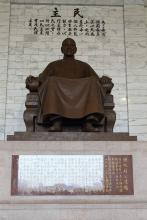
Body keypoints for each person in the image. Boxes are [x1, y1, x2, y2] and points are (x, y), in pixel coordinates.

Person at [27, 38, 105, 131]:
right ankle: (56, 121)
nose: (69, 47)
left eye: (72, 45)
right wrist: (33, 79)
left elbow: (97, 80)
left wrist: (104, 79)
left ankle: (88, 122)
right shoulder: (53, 65)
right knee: (51, 81)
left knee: (92, 81)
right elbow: (42, 79)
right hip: (58, 92)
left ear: (76, 49)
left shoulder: (84, 66)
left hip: (81, 94)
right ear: (61, 49)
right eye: (66, 45)